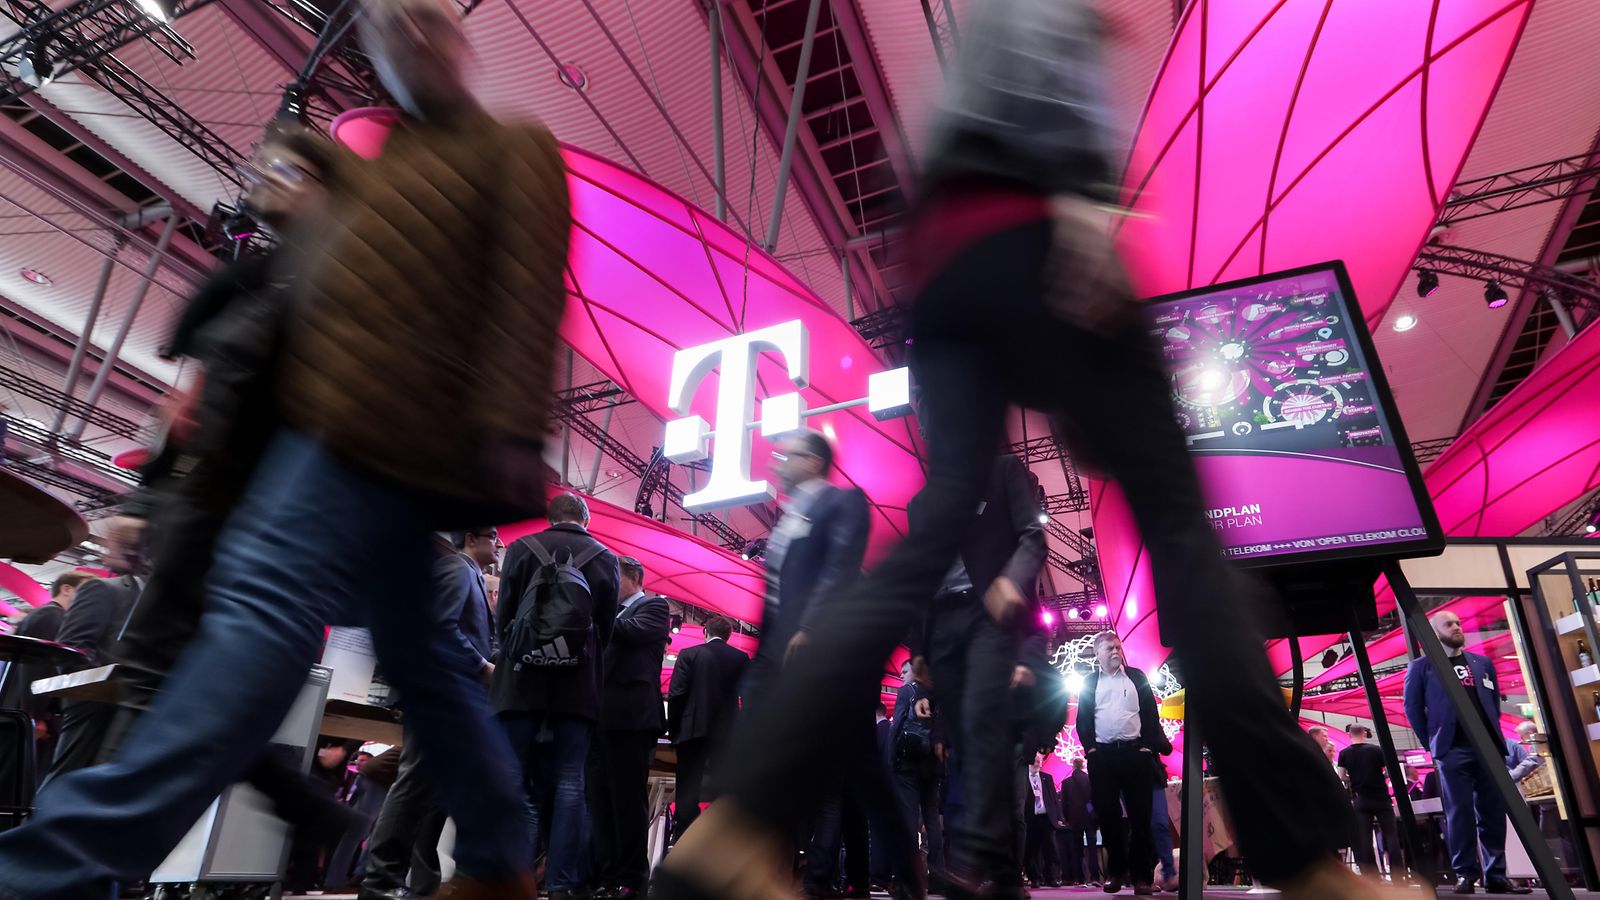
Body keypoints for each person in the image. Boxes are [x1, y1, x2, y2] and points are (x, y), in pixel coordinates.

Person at [653, 1, 1364, 898]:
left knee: (934, 520)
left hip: (944, 270)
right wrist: (1085, 210)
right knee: (1184, 531)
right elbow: (1053, 64)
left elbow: (929, 149)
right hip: (1034, 228)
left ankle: (743, 824)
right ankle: (1308, 858)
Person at [0, 0, 572, 893]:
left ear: (459, 38)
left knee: (255, 635)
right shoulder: (376, 176)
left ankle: (45, 869)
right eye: (390, 24)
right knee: (424, 670)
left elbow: (527, 300)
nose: (410, 35)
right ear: (375, 50)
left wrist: (510, 429)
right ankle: (499, 857)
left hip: (370, 442)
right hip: (340, 444)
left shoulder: (512, 149)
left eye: (426, 17)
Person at [917, 453, 1045, 895]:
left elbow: (1033, 535)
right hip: (943, 627)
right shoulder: (922, 502)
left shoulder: (1003, 470)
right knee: (966, 747)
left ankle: (970, 862)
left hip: (991, 611)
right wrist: (920, 647)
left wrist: (1012, 579)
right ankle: (1006, 877)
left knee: (981, 724)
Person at [360, 528, 501, 900]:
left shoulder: (468, 574)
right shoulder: (457, 569)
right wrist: (481, 665)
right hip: (441, 691)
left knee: (432, 793)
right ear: (472, 537)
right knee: (414, 783)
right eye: (493, 535)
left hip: (453, 696)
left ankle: (417, 884)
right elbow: (440, 627)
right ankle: (380, 881)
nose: (499, 543)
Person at [493, 493, 620, 900]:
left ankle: (505, 879)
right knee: (570, 782)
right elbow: (606, 629)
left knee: (512, 779)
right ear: (585, 517)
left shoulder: (519, 549)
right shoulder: (605, 558)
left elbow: (504, 618)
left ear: (550, 517)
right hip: (577, 686)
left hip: (520, 680)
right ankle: (563, 884)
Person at [1403, 611, 1529, 895]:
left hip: (1487, 749)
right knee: (1459, 813)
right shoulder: (1421, 667)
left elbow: (1492, 701)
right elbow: (1412, 710)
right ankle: (1465, 874)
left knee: (1493, 813)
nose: (1458, 627)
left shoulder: (1481, 663)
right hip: (1451, 750)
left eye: (1459, 623)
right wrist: (1433, 745)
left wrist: (1493, 739)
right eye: (1450, 624)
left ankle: (1496, 875)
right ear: (1435, 633)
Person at [589, 557, 670, 900]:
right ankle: (605, 874)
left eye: (614, 577)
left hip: (632, 718)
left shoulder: (655, 607)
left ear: (634, 577)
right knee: (600, 799)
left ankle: (632, 877)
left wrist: (597, 609)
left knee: (626, 799)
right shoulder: (610, 616)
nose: (608, 583)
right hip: (598, 716)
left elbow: (628, 633)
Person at [1075, 632, 1171, 895]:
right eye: (1109, 648)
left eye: (1118, 646)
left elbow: (1151, 714)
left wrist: (1147, 748)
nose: (1116, 651)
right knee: (1107, 815)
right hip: (1102, 757)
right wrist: (1091, 750)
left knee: (1141, 816)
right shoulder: (1089, 682)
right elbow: (1083, 720)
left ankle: (1141, 877)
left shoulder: (1137, 677)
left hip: (1135, 753)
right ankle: (1117, 872)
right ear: (1097, 653)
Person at [40, 570, 143, 783]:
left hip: (138, 714)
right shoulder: (105, 589)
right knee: (68, 784)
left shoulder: (161, 601)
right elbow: (71, 651)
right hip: (94, 709)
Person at [0, 571, 94, 781]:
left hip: (21, 712)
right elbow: (34, 666)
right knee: (13, 779)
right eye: (86, 590)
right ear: (66, 588)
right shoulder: (51, 616)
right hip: (24, 713)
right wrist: (35, 716)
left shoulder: (49, 615)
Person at [667, 615, 748, 840]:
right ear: (728, 635)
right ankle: (718, 839)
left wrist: (674, 730)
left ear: (705, 632)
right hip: (726, 734)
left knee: (688, 786)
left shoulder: (689, 655)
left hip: (691, 730)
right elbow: (749, 697)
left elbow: (676, 695)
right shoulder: (740, 658)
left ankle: (685, 837)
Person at [890, 659, 946, 886]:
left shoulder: (907, 691)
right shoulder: (937, 692)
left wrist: (890, 759)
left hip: (909, 762)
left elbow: (897, 726)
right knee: (933, 820)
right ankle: (938, 876)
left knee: (909, 820)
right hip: (932, 762)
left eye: (905, 671)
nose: (902, 676)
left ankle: (910, 877)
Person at [1338, 725, 1398, 881]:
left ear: (1349, 734)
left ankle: (1373, 877)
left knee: (1365, 839)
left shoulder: (1344, 753)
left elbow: (1342, 776)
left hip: (1361, 799)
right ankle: (1398, 876)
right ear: (1364, 733)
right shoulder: (1376, 750)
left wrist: (1356, 779)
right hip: (1381, 798)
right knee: (1391, 836)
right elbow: (1386, 770)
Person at [1022, 750, 1066, 888]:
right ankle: (1035, 878)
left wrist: (1059, 817)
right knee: (1031, 850)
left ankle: (1052, 878)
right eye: (1036, 761)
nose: (1039, 764)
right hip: (1030, 818)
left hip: (1046, 818)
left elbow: (1054, 799)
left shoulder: (1047, 777)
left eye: (1040, 761)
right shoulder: (1022, 778)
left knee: (1051, 849)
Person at [1058, 757, 1097, 886]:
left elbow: (1064, 804)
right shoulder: (1090, 780)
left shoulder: (1067, 782)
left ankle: (1080, 879)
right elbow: (1092, 800)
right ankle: (1095, 877)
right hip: (1089, 819)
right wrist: (1091, 812)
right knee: (1092, 849)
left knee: (1077, 850)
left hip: (1074, 819)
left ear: (1073, 767)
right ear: (1083, 766)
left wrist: (1067, 818)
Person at [1149, 759, 1177, 892]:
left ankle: (1169, 873)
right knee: (1139, 826)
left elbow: (1165, 746)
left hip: (1151, 771)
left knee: (1160, 824)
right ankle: (1145, 876)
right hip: (1126, 770)